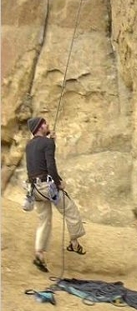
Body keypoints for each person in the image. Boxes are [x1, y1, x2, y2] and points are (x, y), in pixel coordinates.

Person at [25, 117, 86, 273]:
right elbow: (50, 164)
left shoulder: (29, 145)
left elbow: (38, 160)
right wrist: (58, 182)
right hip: (48, 187)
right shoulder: (47, 143)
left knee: (44, 221)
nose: (48, 125)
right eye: (44, 123)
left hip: (35, 189)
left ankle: (39, 253)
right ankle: (74, 242)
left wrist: (51, 142)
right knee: (70, 210)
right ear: (39, 127)